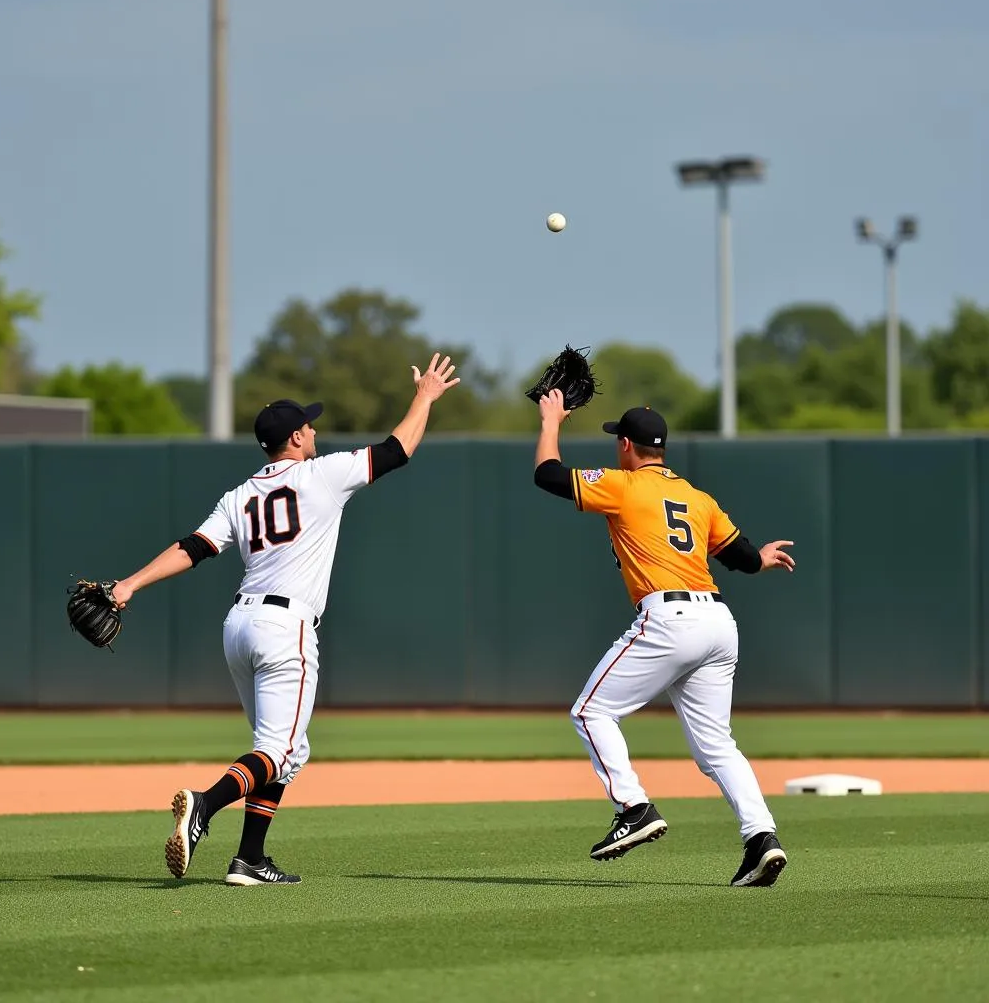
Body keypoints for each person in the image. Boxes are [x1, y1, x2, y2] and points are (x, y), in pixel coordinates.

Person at [109, 353, 460, 886]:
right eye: (309, 424)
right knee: (280, 749)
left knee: (280, 751)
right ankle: (205, 805)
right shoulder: (322, 475)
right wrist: (425, 397)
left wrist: (130, 584)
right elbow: (397, 450)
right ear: (295, 438)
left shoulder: (238, 496)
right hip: (285, 629)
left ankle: (249, 859)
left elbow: (193, 548)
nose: (314, 431)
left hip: (239, 627)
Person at [532, 389, 795, 887]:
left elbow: (547, 474)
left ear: (626, 445)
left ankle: (633, 807)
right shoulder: (697, 497)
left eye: (617, 440)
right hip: (719, 622)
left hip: (669, 616)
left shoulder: (625, 485)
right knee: (717, 744)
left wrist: (551, 421)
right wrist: (762, 557)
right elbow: (740, 557)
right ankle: (762, 837)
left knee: (591, 711)